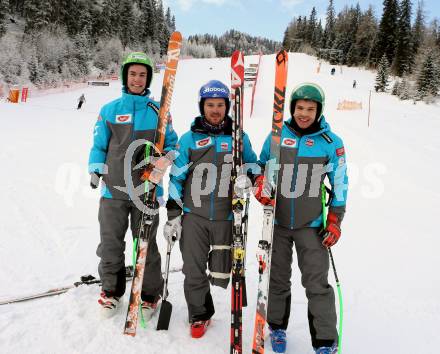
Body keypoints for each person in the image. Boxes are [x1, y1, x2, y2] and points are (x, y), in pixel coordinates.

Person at [254, 83, 348, 354]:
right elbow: (261, 166)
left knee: (317, 284)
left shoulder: (331, 143)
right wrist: (261, 183)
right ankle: (277, 327)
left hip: (313, 226)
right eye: (299, 108)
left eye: (310, 109)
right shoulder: (276, 136)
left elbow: (340, 184)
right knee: (277, 279)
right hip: (278, 223)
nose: (304, 113)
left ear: (319, 111)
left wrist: (335, 221)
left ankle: (325, 342)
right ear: (292, 108)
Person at [163, 80, 258, 338]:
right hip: (194, 216)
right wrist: (174, 215)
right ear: (201, 106)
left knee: (222, 270)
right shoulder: (189, 139)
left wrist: (251, 177)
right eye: (210, 105)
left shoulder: (238, 138)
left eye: (220, 105)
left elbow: (254, 165)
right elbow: (176, 178)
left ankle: (228, 304)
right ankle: (199, 313)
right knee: (193, 269)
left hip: (228, 217)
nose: (215, 110)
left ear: (227, 106)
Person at [88, 52, 178, 317]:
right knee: (111, 244)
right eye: (133, 74)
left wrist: (162, 161)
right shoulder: (110, 110)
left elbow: (172, 145)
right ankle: (111, 292)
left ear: (148, 78)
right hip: (113, 190)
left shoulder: (158, 113)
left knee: (145, 245)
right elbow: (99, 145)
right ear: (125, 76)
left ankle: (150, 295)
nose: (137, 79)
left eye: (142, 74)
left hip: (146, 191)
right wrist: (95, 170)